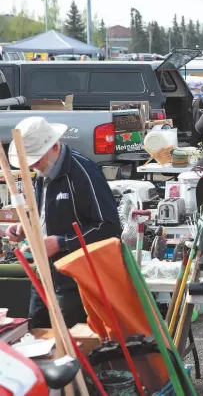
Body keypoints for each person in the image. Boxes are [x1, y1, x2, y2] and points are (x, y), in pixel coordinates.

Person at [6, 117, 121, 328]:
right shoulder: (42, 170)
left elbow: (109, 227)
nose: (32, 165)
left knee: (71, 342)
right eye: (29, 161)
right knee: (36, 334)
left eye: (36, 159)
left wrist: (61, 242)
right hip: (43, 273)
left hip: (75, 279)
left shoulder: (84, 172)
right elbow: (43, 212)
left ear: (55, 147)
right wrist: (26, 227)